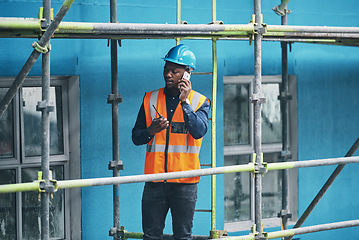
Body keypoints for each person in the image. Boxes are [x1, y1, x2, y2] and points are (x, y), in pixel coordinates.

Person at [132, 44, 210, 240]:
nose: (168, 75)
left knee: (182, 236)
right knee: (150, 235)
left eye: (174, 71)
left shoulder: (200, 101)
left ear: (187, 74)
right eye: (166, 70)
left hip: (185, 183)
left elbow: (199, 131)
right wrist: (151, 130)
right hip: (154, 181)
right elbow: (136, 137)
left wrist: (185, 103)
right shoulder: (150, 98)